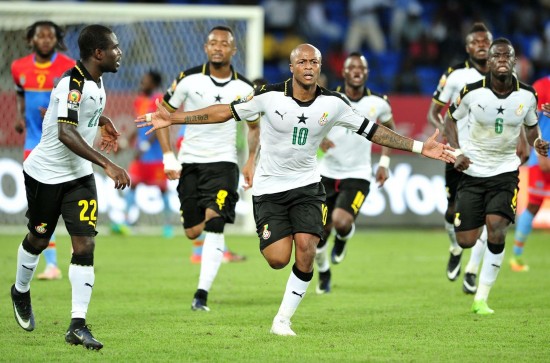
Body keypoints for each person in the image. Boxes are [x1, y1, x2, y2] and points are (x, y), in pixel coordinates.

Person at [136, 43, 455, 335]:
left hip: (307, 187)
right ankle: (282, 269)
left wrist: (417, 147)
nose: (308, 65)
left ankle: (282, 320)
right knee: (277, 258)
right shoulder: (268, 96)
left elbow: (374, 131)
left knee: (307, 248)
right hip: (269, 189)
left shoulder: (334, 103)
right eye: (301, 60)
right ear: (291, 67)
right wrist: (175, 118)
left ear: (320, 67)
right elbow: (224, 112)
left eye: (313, 61)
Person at [10, 24, 129, 350]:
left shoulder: (96, 81)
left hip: (78, 178)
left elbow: (84, 114)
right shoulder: (71, 84)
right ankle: (20, 289)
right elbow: (65, 132)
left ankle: (77, 324)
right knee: (39, 237)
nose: (120, 53)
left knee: (85, 245)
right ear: (98, 53)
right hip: (45, 175)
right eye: (115, 48)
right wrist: (107, 163)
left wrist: (103, 121)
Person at [157, 26, 260, 311]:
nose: (218, 47)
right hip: (190, 162)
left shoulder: (245, 88)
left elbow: (254, 127)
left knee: (215, 223)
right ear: (205, 48)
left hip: (224, 164)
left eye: (224, 44)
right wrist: (168, 155)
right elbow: (162, 116)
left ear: (233, 50)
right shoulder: (188, 79)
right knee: (192, 231)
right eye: (213, 43)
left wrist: (251, 159)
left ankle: (201, 294)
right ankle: (206, 253)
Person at [444, 38, 549, 315]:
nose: (502, 59)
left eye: (508, 56)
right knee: (466, 239)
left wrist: (535, 142)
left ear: (514, 62)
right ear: (488, 63)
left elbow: (530, 127)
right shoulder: (470, 92)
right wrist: (457, 151)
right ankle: (466, 251)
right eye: (497, 56)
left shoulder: (527, 95)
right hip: (473, 171)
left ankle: (481, 298)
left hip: (505, 172)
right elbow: (449, 119)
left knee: (497, 228)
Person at [314, 52, 397, 294]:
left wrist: (384, 163)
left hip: (358, 174)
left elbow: (391, 133)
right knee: (318, 234)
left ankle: (342, 239)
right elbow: (311, 124)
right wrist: (319, 140)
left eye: (361, 68)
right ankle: (324, 272)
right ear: (344, 72)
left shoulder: (379, 103)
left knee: (341, 221)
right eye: (352, 68)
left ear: (366, 73)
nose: (357, 71)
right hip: (326, 173)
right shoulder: (330, 98)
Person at [427, 22, 493, 294]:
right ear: (468, 48)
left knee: (489, 216)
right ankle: (455, 248)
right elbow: (434, 112)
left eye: (485, 42)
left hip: (488, 156)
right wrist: (446, 133)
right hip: (456, 153)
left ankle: (471, 271)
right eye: (476, 42)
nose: (481, 46)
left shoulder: (503, 77)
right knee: (453, 210)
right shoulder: (455, 76)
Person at [11, 21, 76, 281]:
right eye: (41, 35)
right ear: (31, 40)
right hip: (33, 145)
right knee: (41, 209)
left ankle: (78, 250)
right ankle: (51, 264)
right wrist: (19, 116)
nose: (46, 39)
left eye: (51, 36)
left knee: (69, 201)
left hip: (62, 144)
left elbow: (76, 100)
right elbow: (19, 94)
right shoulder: (19, 68)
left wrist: (56, 113)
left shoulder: (69, 66)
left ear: (57, 39)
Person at [114, 70, 174, 238]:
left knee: (162, 191)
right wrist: (126, 141)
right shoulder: (139, 100)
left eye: (146, 81)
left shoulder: (160, 100)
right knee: (132, 185)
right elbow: (138, 123)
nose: (142, 83)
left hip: (155, 156)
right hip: (141, 156)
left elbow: (161, 124)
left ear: (154, 84)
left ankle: (168, 226)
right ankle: (126, 222)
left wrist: (146, 144)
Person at [511, 76, 550, 272]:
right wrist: (537, 152)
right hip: (542, 157)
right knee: (534, 205)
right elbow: (525, 118)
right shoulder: (542, 87)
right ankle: (516, 256)